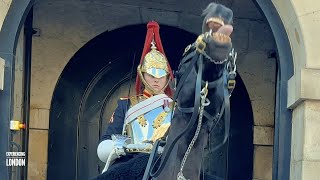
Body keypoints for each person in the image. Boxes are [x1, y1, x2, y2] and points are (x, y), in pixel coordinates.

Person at [96, 21, 174, 179]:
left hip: (164, 164)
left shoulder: (175, 107)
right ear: (143, 75)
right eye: (151, 75)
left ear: (168, 77)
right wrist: (122, 147)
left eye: (161, 76)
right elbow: (105, 143)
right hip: (130, 162)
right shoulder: (126, 104)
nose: (156, 80)